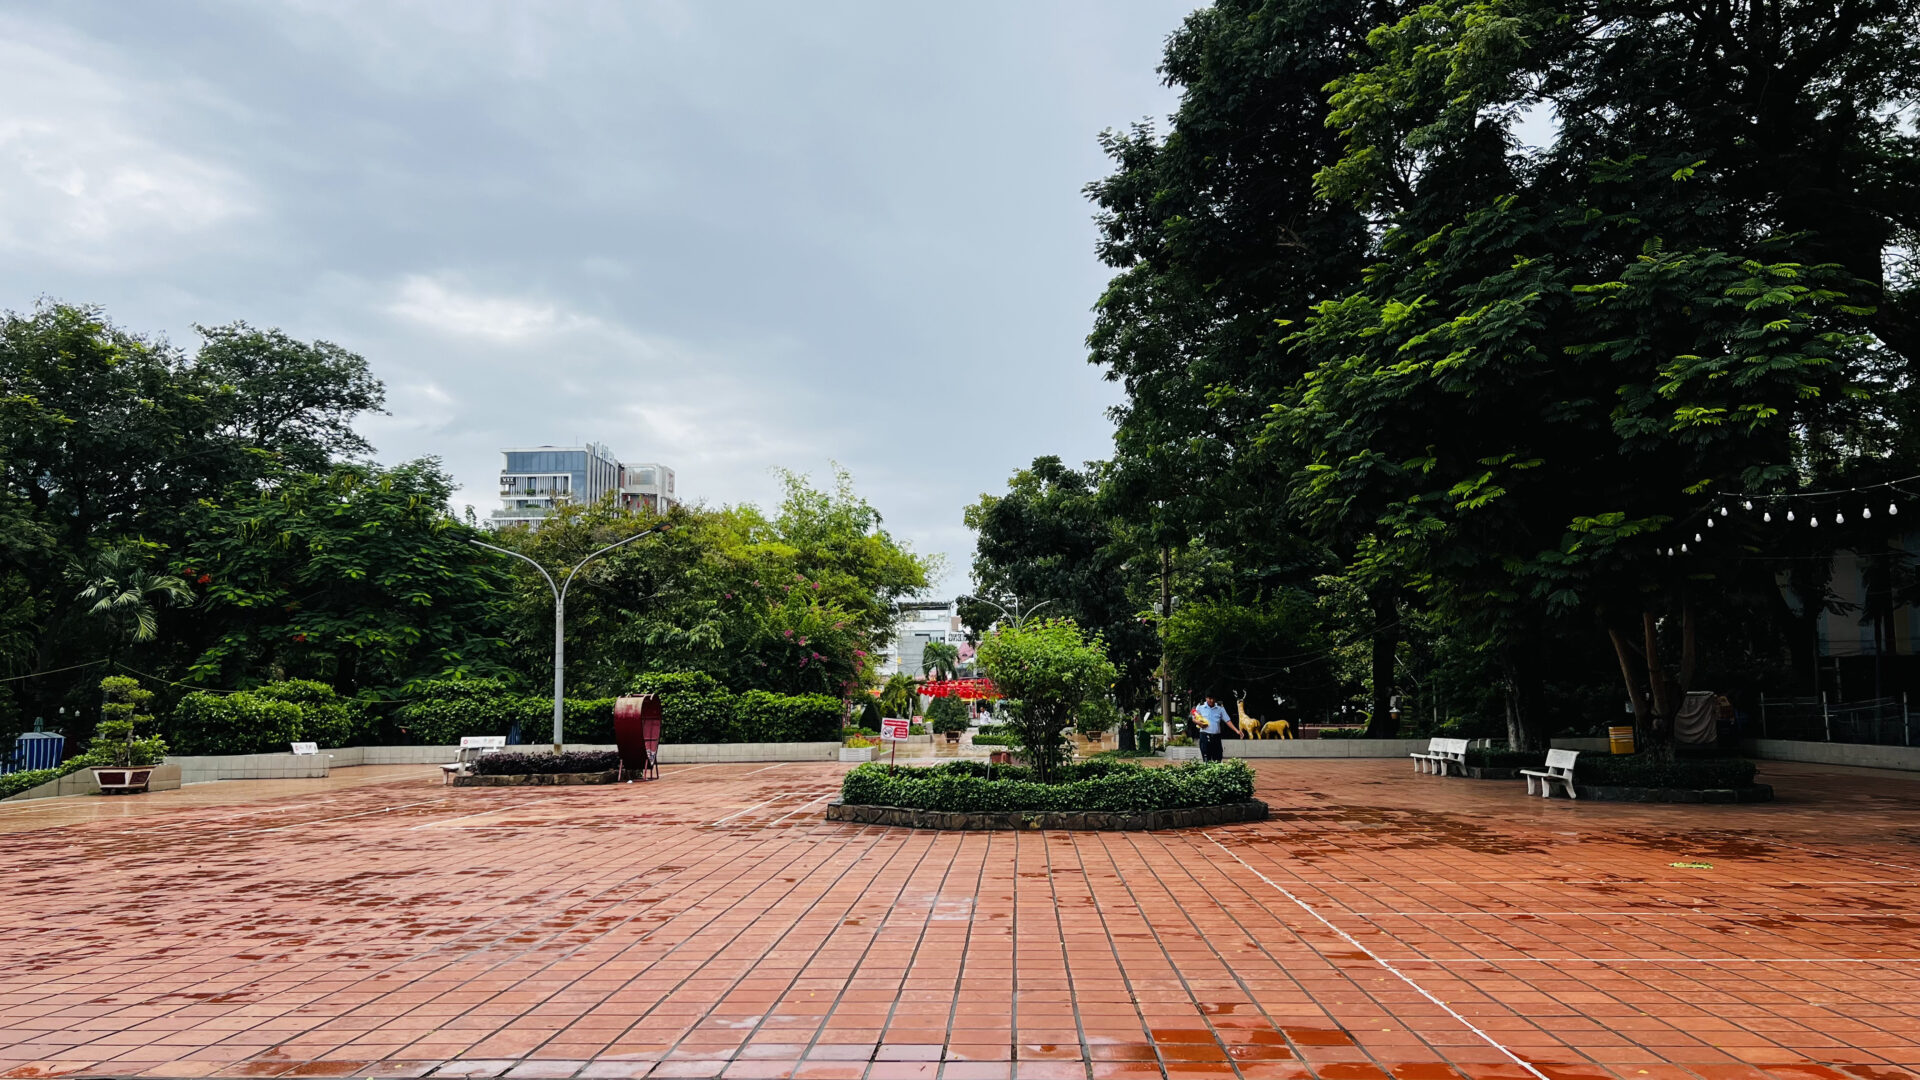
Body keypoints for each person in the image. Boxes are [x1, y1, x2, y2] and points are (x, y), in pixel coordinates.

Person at [1191, 693, 1240, 762]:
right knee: (1206, 759)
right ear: (1206, 698)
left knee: (1217, 759)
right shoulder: (1200, 706)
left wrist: (1236, 730)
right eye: (1209, 698)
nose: (1211, 700)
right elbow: (1193, 718)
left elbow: (1227, 720)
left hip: (1216, 737)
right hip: (1204, 736)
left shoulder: (1220, 708)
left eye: (1213, 699)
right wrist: (1198, 723)